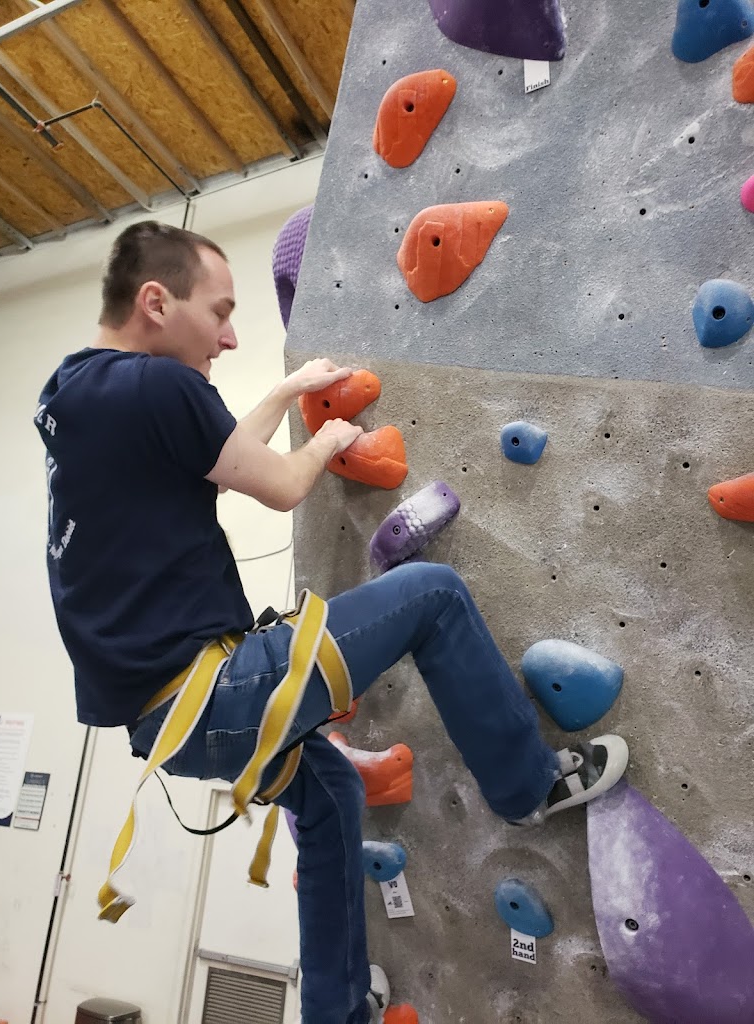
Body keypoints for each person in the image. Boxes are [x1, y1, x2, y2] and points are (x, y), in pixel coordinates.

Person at [35, 221, 629, 1024]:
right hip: (219, 696)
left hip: (165, 728)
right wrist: (330, 439)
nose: (230, 336)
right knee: (432, 593)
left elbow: (217, 463)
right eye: (219, 313)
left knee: (328, 796)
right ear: (155, 302)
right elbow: (279, 485)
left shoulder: (73, 394)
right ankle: (528, 786)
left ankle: (336, 1010)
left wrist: (286, 392)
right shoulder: (159, 387)